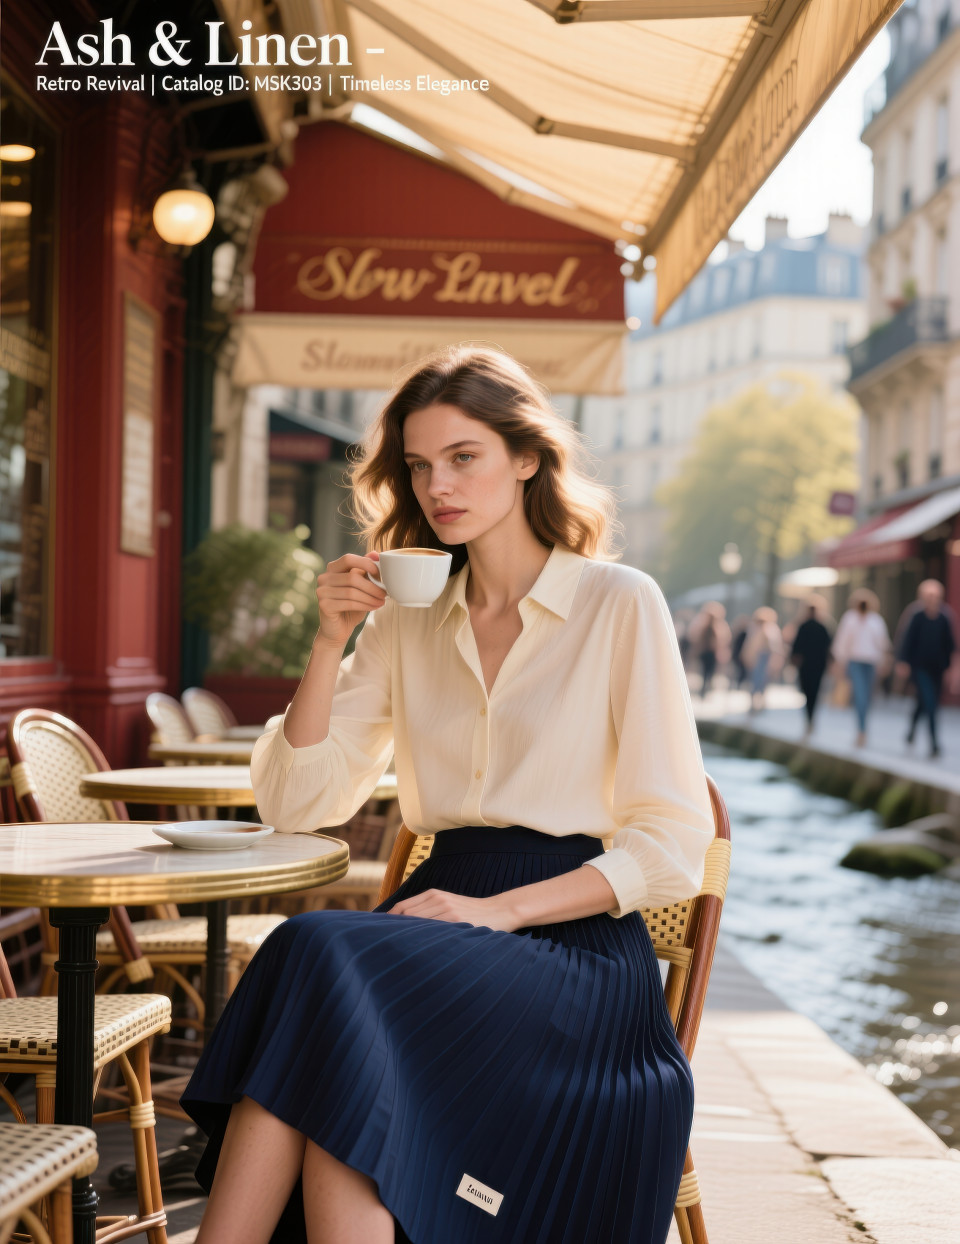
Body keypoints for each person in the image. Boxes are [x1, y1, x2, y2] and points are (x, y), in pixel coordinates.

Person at [180, 345, 715, 1244]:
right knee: (337, 1028)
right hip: (434, 922)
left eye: (464, 457)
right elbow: (297, 802)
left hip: (572, 950)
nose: (438, 486)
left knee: (318, 959)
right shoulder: (407, 617)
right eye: (421, 465)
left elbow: (672, 846)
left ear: (528, 457)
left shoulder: (620, 603)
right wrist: (329, 640)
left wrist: (497, 913)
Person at [895, 579, 960, 759]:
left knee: (924, 702)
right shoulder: (916, 615)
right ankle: (934, 743)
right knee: (930, 703)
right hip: (920, 667)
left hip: (937, 668)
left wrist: (953, 670)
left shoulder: (945, 617)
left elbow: (951, 645)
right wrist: (902, 662)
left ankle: (912, 728)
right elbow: (906, 640)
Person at [831, 588, 891, 747]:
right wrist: (840, 662)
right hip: (855, 661)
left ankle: (863, 727)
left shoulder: (875, 620)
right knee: (860, 694)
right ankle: (861, 729)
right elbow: (842, 642)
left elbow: (882, 643)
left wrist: (884, 661)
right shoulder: (850, 618)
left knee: (867, 696)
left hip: (871, 663)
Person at [790, 596, 833, 737]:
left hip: (808, 665)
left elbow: (796, 647)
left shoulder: (807, 626)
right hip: (817, 665)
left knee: (808, 691)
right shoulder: (821, 627)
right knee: (813, 691)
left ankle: (809, 717)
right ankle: (811, 717)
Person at [742, 606, 783, 713]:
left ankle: (758, 701)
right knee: (756, 680)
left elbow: (775, 647)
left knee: (762, 681)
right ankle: (755, 702)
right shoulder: (755, 629)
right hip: (757, 657)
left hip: (765, 658)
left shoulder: (771, 630)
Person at [688, 601, 731, 697]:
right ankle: (706, 687)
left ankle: (705, 687)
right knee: (708, 672)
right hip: (709, 653)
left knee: (706, 671)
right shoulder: (715, 626)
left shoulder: (707, 626)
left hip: (707, 652)